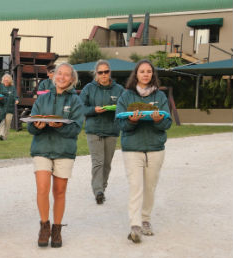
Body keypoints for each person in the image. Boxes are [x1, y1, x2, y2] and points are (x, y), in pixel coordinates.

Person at [28, 62, 84, 248]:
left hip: (64, 150)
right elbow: (30, 125)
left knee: (59, 191)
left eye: (66, 75)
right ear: (53, 76)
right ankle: (45, 225)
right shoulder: (42, 99)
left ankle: (57, 228)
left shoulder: (75, 101)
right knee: (42, 188)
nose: (61, 77)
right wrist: (36, 125)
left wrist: (60, 126)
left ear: (72, 80)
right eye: (59, 73)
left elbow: (76, 128)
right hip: (42, 148)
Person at [116, 59, 172, 244]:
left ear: (152, 75)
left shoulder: (160, 97)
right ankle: (135, 225)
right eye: (142, 71)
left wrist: (158, 120)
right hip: (133, 148)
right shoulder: (126, 97)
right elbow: (120, 123)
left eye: (149, 71)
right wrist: (131, 120)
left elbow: (167, 123)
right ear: (136, 74)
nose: (146, 74)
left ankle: (146, 219)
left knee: (150, 187)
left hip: (155, 148)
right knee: (136, 187)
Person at [79, 60, 124, 205]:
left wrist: (116, 109)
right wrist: (94, 110)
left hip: (112, 130)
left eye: (106, 72)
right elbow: (81, 108)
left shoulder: (119, 89)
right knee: (98, 162)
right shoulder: (88, 88)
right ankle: (98, 190)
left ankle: (102, 188)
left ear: (110, 72)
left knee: (107, 163)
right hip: (94, 130)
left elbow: (124, 108)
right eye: (100, 72)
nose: (103, 75)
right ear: (96, 74)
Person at [0, 73, 19, 141]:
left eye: (7, 80)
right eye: (5, 80)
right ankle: (1, 134)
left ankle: (4, 137)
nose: (6, 81)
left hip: (10, 108)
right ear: (3, 80)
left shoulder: (12, 88)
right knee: (2, 121)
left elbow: (15, 95)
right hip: (2, 107)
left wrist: (16, 100)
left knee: (8, 122)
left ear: (10, 81)